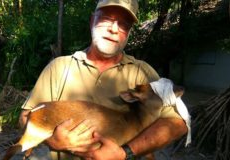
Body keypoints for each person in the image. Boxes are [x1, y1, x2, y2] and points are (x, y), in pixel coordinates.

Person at [19, 0, 188, 159]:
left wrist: (125, 153)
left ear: (129, 32)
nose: (114, 29)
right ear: (92, 20)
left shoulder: (142, 73)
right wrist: (52, 141)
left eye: (124, 24)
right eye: (107, 18)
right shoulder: (59, 67)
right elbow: (26, 116)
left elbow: (177, 123)